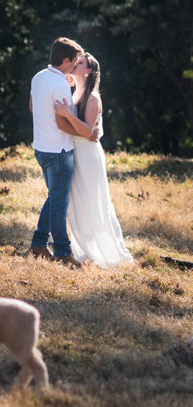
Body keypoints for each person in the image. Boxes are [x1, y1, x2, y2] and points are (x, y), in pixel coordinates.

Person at [53, 53, 133, 268]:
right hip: (73, 152)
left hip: (87, 155)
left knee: (92, 202)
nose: (74, 64)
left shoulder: (92, 98)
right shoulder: (76, 91)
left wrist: (67, 114)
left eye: (79, 63)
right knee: (78, 204)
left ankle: (106, 254)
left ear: (88, 71)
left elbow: (89, 132)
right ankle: (86, 254)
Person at [28, 37, 86, 267]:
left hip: (41, 147)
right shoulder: (60, 83)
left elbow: (33, 107)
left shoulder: (39, 76)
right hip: (59, 150)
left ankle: (38, 245)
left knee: (53, 198)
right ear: (66, 60)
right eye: (74, 62)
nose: (75, 66)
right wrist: (87, 135)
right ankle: (63, 252)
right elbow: (63, 122)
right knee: (59, 204)